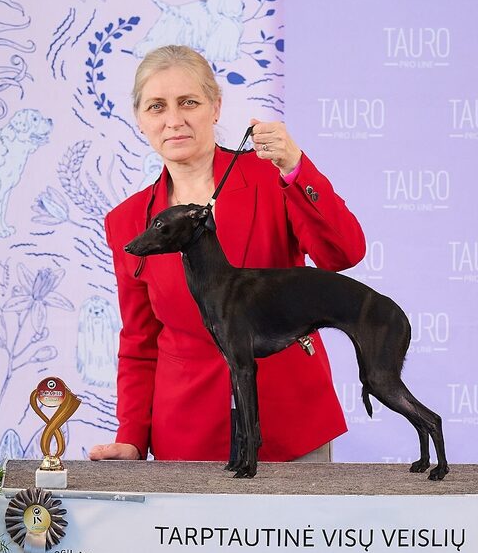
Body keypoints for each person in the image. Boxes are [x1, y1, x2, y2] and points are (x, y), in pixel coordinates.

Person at [89, 45, 365, 464]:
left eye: (189, 102)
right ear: (140, 119)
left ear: (215, 107)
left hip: (291, 420)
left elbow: (344, 253)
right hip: (188, 433)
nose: (173, 120)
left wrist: (295, 167)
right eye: (157, 106)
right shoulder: (127, 221)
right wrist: (131, 437)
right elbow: (140, 342)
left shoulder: (272, 176)